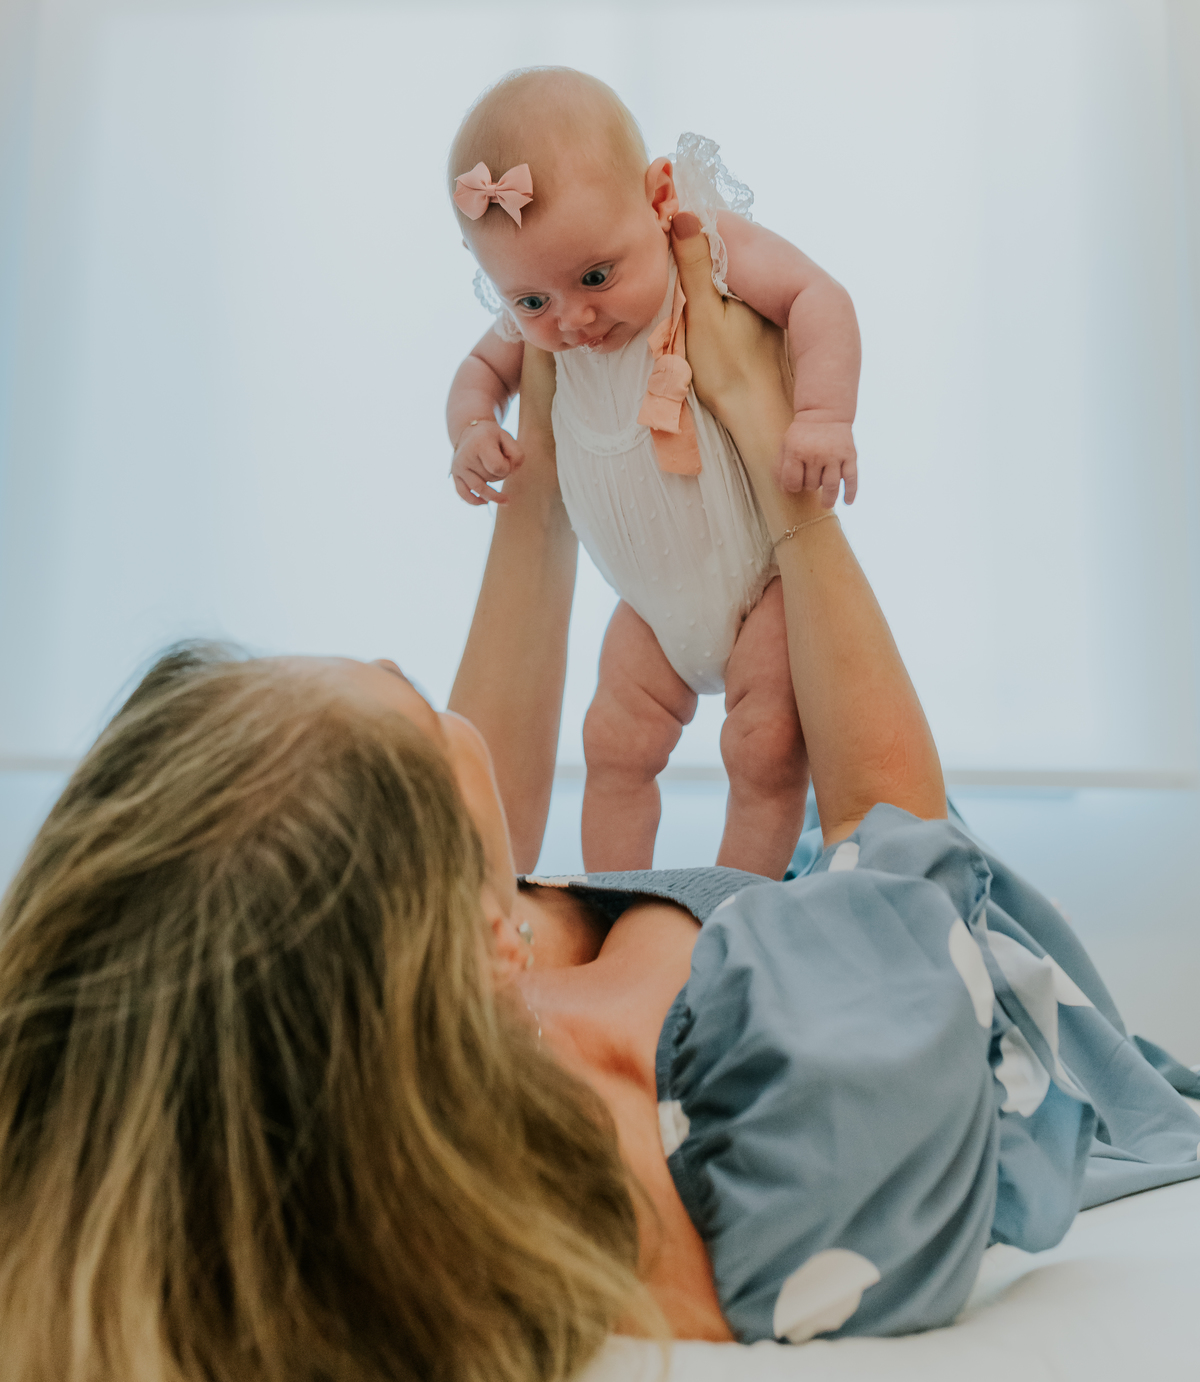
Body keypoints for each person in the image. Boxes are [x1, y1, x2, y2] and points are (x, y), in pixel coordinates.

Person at [0, 222, 1197, 1381]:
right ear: (471, 938)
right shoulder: (776, 1118)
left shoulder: (404, 1024)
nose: (412, 677)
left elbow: (484, 830)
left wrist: (550, 404)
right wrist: (766, 436)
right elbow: (900, 840)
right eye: (417, 704)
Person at [445, 66, 861, 877]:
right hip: (653, 606)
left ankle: (736, 905)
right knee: (614, 744)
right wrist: (469, 429)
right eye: (530, 302)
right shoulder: (542, 319)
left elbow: (819, 297)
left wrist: (822, 416)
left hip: (761, 580)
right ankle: (618, 900)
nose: (573, 319)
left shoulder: (702, 248)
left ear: (659, 195)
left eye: (596, 277)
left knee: (767, 747)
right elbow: (476, 372)